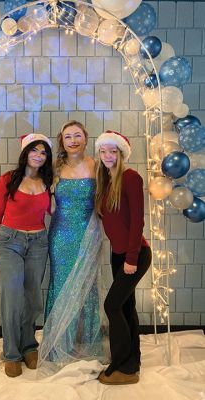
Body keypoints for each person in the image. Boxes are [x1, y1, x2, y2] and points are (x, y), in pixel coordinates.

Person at [38, 121, 107, 376]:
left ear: (86, 139)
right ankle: (58, 345)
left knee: (87, 287)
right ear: (62, 140)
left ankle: (88, 344)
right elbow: (39, 195)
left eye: (78, 135)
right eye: (68, 136)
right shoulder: (54, 167)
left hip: (89, 233)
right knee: (62, 284)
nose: (74, 140)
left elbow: (105, 197)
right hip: (61, 236)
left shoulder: (96, 165)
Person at [0, 133, 53, 378]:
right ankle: (11, 353)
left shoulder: (48, 182)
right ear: (25, 153)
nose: (39, 155)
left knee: (33, 297)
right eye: (34, 150)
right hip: (9, 242)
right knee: (12, 298)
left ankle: (28, 345)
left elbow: (53, 211)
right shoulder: (7, 180)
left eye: (43, 152)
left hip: (38, 243)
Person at [95, 130, 152, 385]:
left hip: (135, 255)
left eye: (112, 151)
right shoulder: (106, 181)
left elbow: (137, 221)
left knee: (112, 306)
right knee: (127, 307)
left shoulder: (130, 178)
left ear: (121, 153)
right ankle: (132, 360)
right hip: (118, 254)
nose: (107, 156)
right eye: (103, 151)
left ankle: (123, 366)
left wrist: (131, 258)